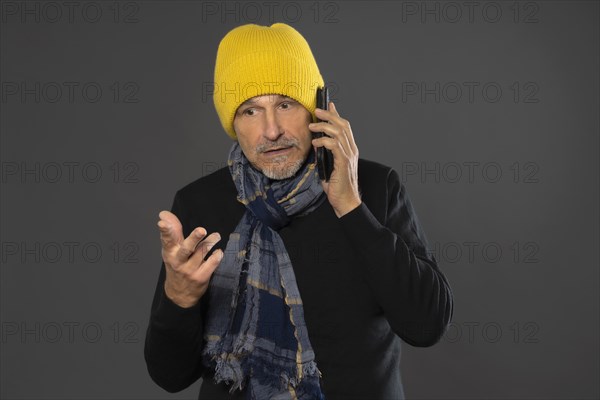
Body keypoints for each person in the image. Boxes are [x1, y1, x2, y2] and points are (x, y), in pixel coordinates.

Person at [144, 22, 454, 400]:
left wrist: (350, 205)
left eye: (285, 104)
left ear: (317, 108)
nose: (271, 130)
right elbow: (170, 376)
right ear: (233, 124)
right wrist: (179, 296)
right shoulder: (200, 204)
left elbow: (426, 325)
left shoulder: (374, 186)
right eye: (250, 111)